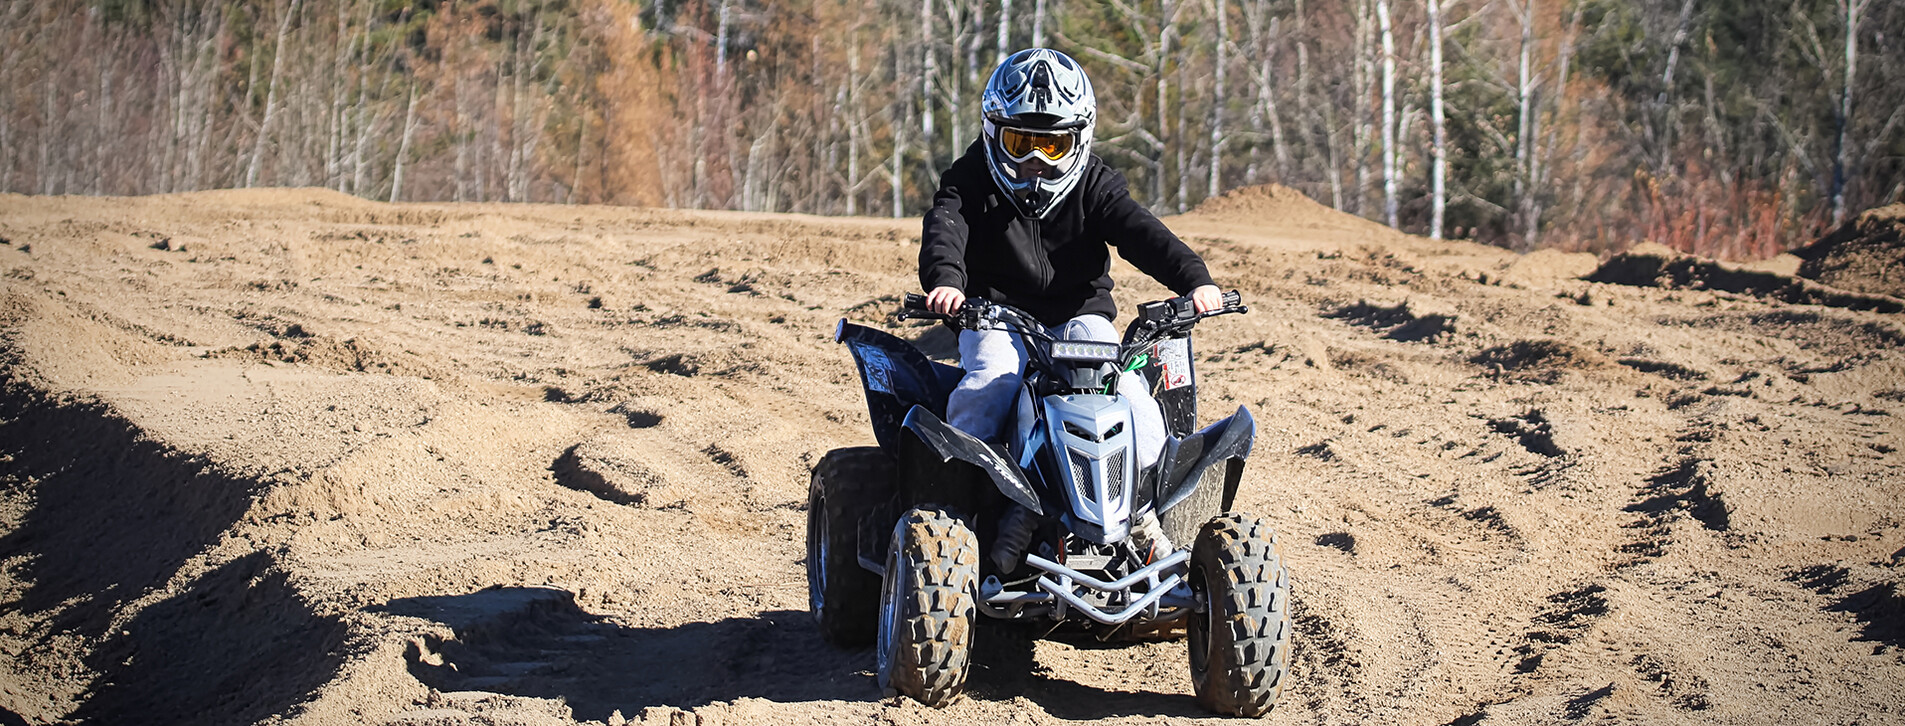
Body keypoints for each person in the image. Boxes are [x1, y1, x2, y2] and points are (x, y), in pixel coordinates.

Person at [919, 47, 1222, 468]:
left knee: (1125, 389)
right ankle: (958, 485)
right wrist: (946, 282)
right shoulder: (969, 178)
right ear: (992, 133)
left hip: (1080, 314)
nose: (1036, 160)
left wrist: (1195, 279)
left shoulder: (1095, 183)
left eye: (1053, 145)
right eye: (1020, 143)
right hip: (994, 316)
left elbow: (1141, 231)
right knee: (992, 383)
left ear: (1079, 139)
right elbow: (945, 227)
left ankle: (1149, 492)